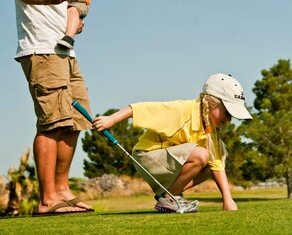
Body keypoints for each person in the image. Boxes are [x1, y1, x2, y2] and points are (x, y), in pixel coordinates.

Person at [9, 0, 94, 215]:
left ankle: (62, 190)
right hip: (42, 51)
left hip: (65, 52)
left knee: (74, 122)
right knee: (52, 122)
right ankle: (48, 199)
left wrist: (71, 22)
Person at [92, 73, 253, 213]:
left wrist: (228, 200)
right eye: (228, 112)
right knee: (202, 155)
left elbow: (217, 164)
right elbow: (141, 108)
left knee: (214, 158)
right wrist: (111, 119)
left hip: (167, 161)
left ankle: (169, 195)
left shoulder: (210, 128)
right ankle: (169, 197)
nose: (230, 119)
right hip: (146, 157)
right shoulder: (182, 110)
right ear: (212, 102)